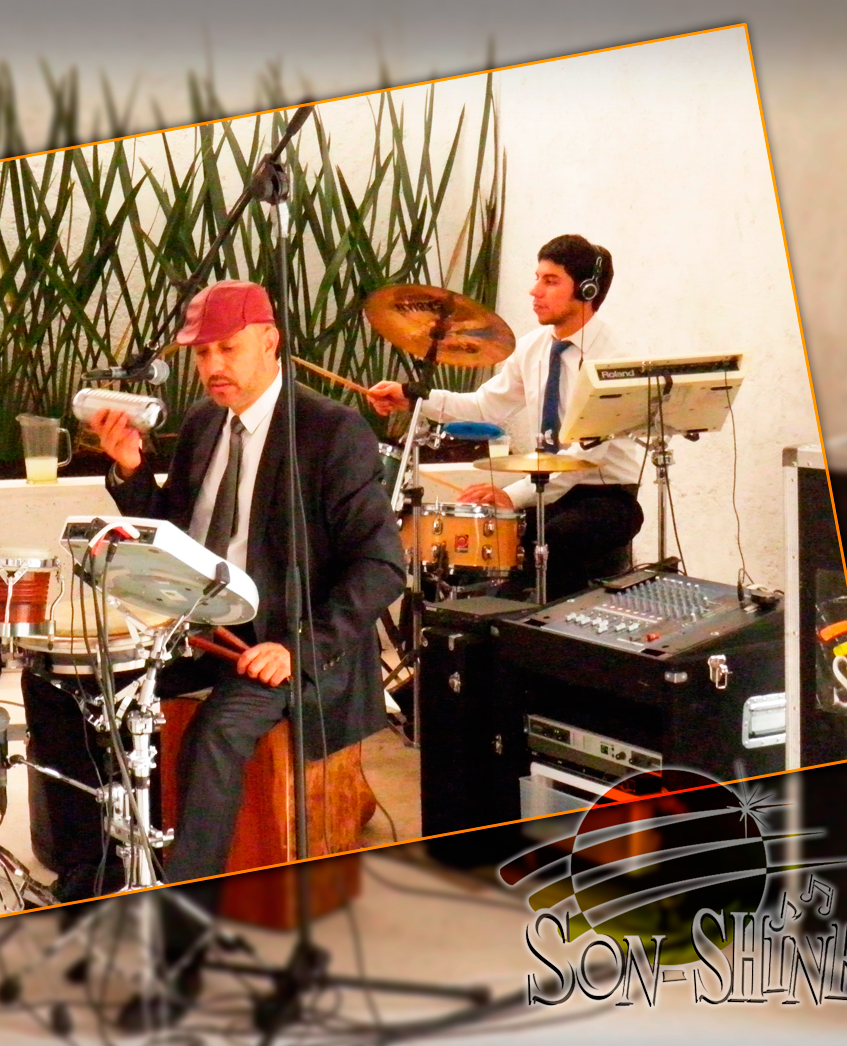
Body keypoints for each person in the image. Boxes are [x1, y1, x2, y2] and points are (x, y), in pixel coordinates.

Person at [89, 279, 405, 884]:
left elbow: (382, 564)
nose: (213, 366)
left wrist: (297, 647)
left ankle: (188, 903)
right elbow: (176, 534)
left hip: (289, 639)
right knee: (72, 688)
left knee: (218, 731)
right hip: (202, 628)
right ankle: (96, 872)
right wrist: (132, 470)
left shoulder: (330, 430)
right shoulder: (205, 421)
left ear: (269, 342)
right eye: (202, 353)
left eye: (227, 349)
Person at [366, 235, 644, 599]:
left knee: (553, 538)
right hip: (546, 490)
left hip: (604, 498)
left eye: (550, 281)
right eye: (537, 278)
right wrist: (412, 397)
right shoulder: (532, 348)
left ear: (586, 290)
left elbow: (582, 459)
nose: (534, 291)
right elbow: (485, 406)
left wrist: (511, 496)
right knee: (462, 541)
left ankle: (525, 617)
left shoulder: (612, 362)